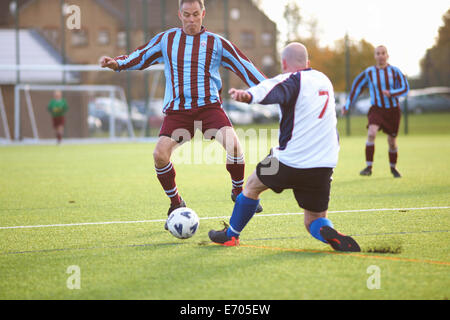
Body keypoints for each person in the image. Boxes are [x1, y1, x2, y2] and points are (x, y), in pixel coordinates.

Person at [100, 0, 265, 225]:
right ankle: (176, 202)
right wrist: (117, 64)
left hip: (209, 108)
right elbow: (141, 55)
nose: (191, 20)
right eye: (186, 15)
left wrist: (273, 87)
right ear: (179, 14)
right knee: (159, 155)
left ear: (203, 13)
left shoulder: (217, 43)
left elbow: (245, 66)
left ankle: (238, 191)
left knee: (235, 145)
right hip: (178, 112)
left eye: (195, 14)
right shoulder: (167, 39)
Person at [208, 43, 361, 252]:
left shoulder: (291, 79)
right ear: (307, 63)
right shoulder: (324, 80)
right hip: (323, 164)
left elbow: (268, 89)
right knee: (313, 220)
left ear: (284, 63)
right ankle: (328, 232)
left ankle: (230, 236)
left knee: (251, 186)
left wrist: (248, 96)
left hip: (288, 161)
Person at [343, 45, 409, 178]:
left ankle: (393, 168)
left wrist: (391, 93)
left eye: (383, 53)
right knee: (371, 133)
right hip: (377, 109)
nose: (380, 55)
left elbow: (405, 88)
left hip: (393, 110)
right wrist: (347, 104)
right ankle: (368, 167)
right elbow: (357, 87)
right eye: (378, 53)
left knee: (392, 141)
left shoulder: (395, 71)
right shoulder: (369, 72)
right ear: (375, 56)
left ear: (387, 55)